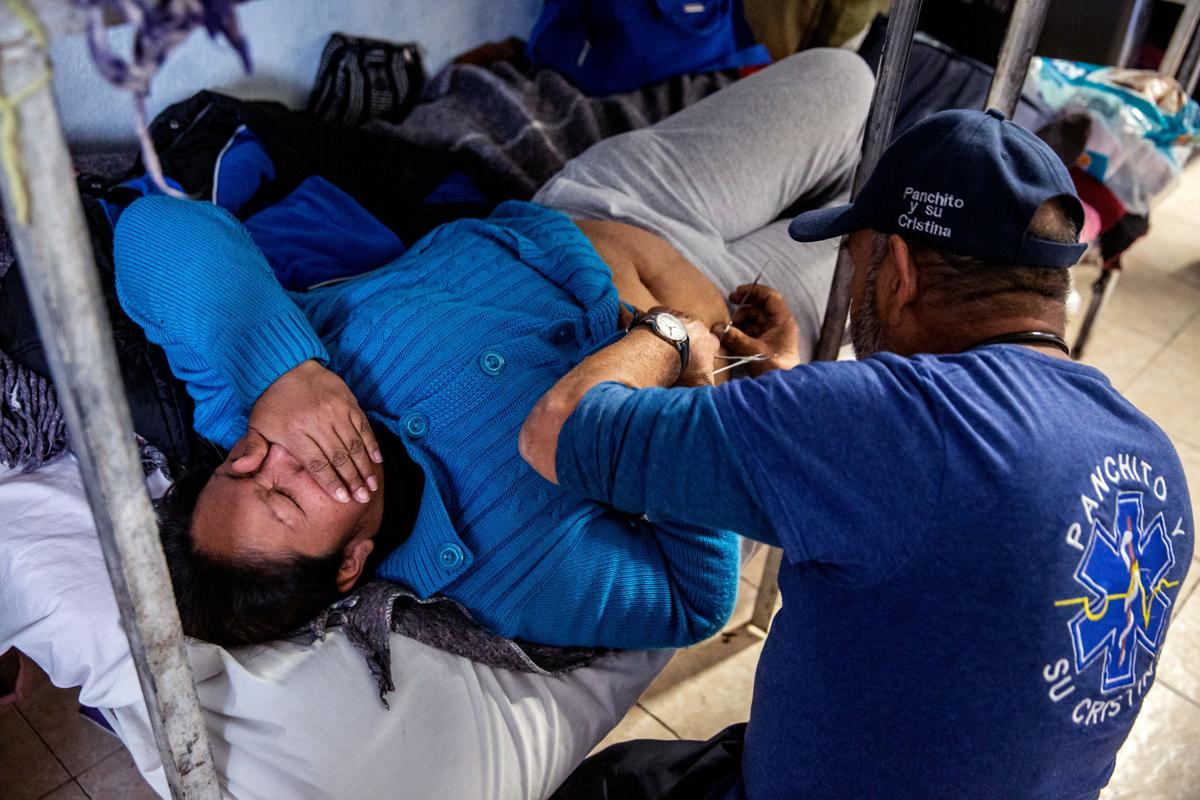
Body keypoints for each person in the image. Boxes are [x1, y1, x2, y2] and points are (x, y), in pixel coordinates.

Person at [523, 108, 1195, 799]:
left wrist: (671, 331)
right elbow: (953, 528)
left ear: (898, 271)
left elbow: (557, 428)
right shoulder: (1154, 462)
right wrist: (791, 394)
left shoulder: (896, 423)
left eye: (858, 261)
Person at [114, 48, 875, 649]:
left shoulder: (253, 401)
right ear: (350, 565)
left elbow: (152, 231)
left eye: (242, 464)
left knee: (849, 83)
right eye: (283, 496)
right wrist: (719, 394)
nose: (276, 457)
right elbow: (693, 601)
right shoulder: (501, 571)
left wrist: (287, 368)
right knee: (891, 227)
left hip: (612, 207)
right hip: (728, 333)